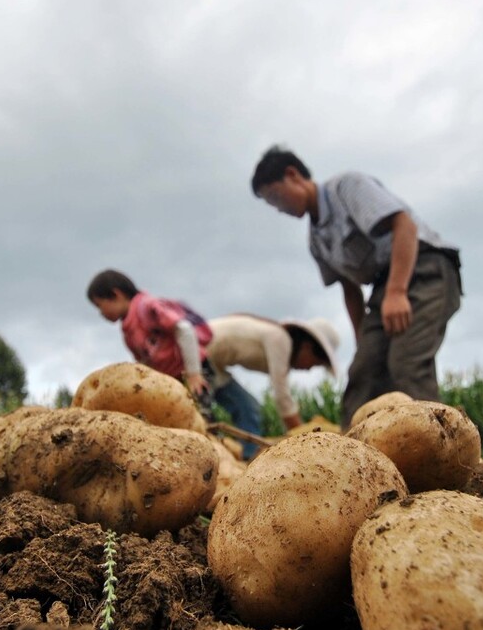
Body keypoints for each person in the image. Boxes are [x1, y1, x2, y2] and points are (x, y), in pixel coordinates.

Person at [249, 145, 462, 428]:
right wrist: (364, 341)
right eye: (272, 205)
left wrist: (397, 292)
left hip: (425, 268)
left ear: (293, 175)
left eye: (276, 196)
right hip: (383, 287)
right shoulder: (316, 240)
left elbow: (405, 226)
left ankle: (437, 452)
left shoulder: (346, 187)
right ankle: (351, 458)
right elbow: (350, 290)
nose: (279, 208)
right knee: (363, 371)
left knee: (406, 363)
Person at [205, 314, 341, 458]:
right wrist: (304, 438)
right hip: (199, 356)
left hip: (214, 366)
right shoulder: (280, 339)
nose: (309, 368)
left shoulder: (278, 337)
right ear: (307, 347)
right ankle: (248, 461)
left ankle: (245, 459)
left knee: (248, 408)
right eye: (315, 363)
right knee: (238, 411)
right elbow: (282, 397)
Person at [85, 269, 209, 398]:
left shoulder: (147, 307)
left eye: (99, 305)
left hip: (195, 368)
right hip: (174, 380)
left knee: (220, 400)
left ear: (116, 295)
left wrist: (194, 373)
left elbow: (185, 330)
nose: (101, 313)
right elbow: (145, 365)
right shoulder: (128, 333)